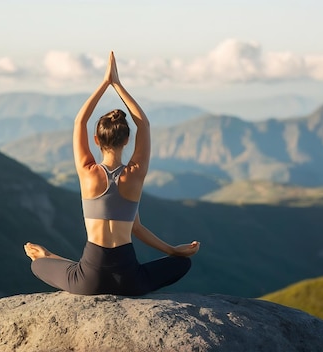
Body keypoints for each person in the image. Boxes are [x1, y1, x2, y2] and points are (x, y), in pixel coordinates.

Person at [24, 51, 200, 296]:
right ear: (127, 140)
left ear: (96, 140)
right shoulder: (135, 174)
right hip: (129, 280)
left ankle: (49, 257)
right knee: (183, 263)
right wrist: (174, 251)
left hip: (88, 280)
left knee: (37, 264)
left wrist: (105, 83)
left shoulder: (87, 172)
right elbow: (144, 124)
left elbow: (79, 122)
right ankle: (56, 258)